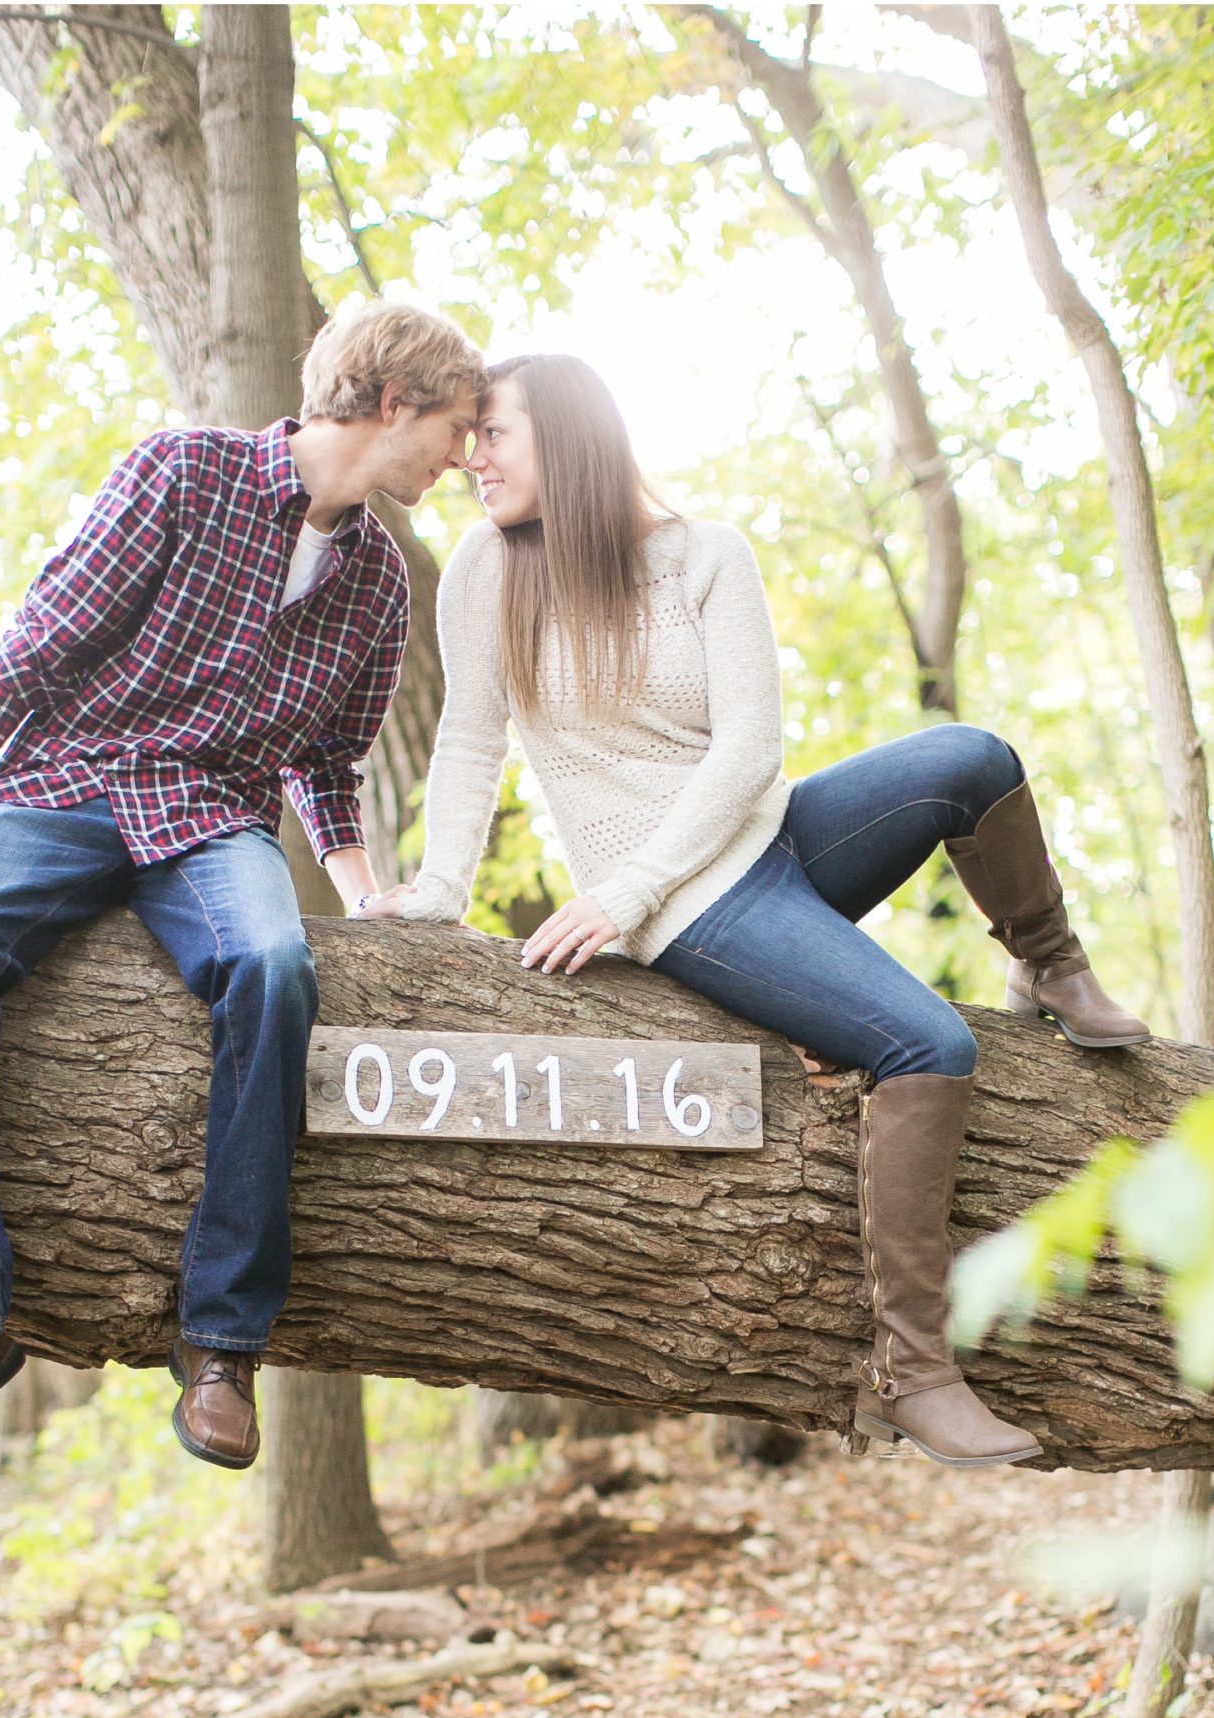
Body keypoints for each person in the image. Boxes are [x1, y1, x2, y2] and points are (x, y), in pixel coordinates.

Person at [363, 353, 1150, 1467]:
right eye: (469, 437)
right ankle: (910, 1370)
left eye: (494, 432)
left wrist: (627, 883)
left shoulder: (701, 555)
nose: (470, 457)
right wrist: (444, 888)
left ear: (574, 436)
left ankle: (1050, 964)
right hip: (688, 907)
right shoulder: (484, 573)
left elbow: (749, 750)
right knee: (927, 1042)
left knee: (970, 758)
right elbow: (469, 741)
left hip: (767, 839)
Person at [0, 302, 487, 1477]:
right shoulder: (182, 473)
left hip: (209, 824)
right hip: (59, 787)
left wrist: (365, 885)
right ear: (392, 403)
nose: (464, 453)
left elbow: (324, 766)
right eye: (458, 426)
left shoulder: (378, 582)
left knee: (274, 968)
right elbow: (35, 647)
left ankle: (222, 1341)